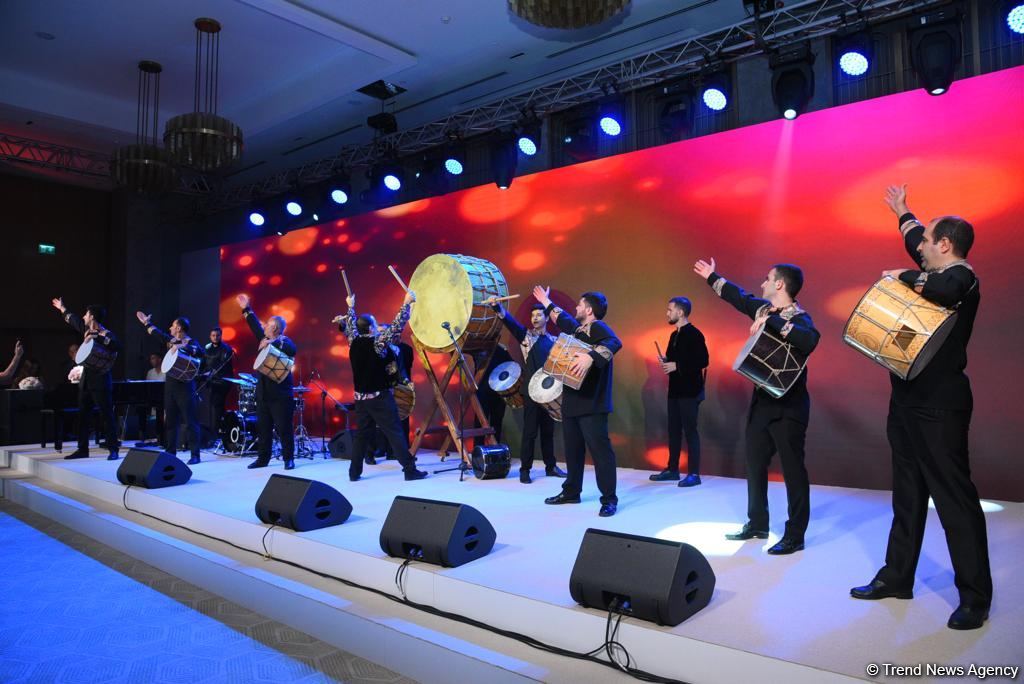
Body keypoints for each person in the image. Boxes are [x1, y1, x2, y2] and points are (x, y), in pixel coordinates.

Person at [850, 185, 991, 631]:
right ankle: (897, 577)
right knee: (907, 494)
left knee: (954, 501)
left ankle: (975, 598)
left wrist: (903, 275)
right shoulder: (936, 266)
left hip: (940, 406)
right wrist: (903, 212)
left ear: (945, 245)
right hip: (907, 401)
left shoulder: (962, 279)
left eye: (928, 241)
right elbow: (915, 242)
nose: (920, 248)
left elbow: (943, 287)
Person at [693, 258, 820, 554]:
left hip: (790, 407)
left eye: (767, 278)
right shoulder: (763, 309)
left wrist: (772, 322)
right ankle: (758, 524)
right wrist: (712, 276)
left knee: (793, 470)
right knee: (754, 463)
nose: (762, 283)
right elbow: (739, 297)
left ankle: (795, 535)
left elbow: (810, 341)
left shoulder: (801, 319)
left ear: (780, 284)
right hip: (763, 403)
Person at [532, 287, 622, 517]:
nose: (576, 307)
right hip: (573, 402)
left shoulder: (598, 327)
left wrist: (590, 357)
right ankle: (571, 491)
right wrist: (546, 302)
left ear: (589, 310)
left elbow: (614, 342)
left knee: (601, 453)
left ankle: (609, 499)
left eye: (580, 305)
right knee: (573, 451)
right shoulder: (579, 331)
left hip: (592, 404)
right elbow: (563, 319)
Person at [334, 289, 427, 482]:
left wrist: (350, 307)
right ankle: (409, 470)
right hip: (379, 399)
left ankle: (354, 473)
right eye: (375, 325)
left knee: (361, 436)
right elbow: (396, 327)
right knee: (395, 432)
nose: (378, 328)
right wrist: (406, 303)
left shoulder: (353, 342)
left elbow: (351, 326)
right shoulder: (376, 343)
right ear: (370, 329)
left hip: (361, 400)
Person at [485, 299, 566, 484]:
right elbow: (511, 323)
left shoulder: (555, 341)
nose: (535, 318)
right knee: (530, 433)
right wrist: (497, 307)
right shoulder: (527, 338)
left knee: (548, 432)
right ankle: (525, 470)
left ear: (547, 318)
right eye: (532, 315)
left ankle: (551, 466)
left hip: (549, 392)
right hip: (531, 392)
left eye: (539, 315)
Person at [51, 298, 120, 460]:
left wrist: (97, 336)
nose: (83, 317)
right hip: (87, 380)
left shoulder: (106, 334)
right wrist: (62, 308)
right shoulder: (86, 330)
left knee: (106, 415)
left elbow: (117, 346)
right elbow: (74, 320)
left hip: (101, 380)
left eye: (86, 314)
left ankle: (113, 449)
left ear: (92, 317)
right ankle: (83, 449)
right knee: (83, 416)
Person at [651, 297, 709, 487]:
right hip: (675, 391)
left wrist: (677, 365)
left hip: (690, 392)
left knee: (690, 431)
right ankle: (672, 469)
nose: (667, 313)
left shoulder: (694, 334)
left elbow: (703, 360)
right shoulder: (673, 335)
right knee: (673, 431)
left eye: (670, 310)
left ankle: (694, 474)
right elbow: (675, 361)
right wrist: (667, 362)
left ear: (680, 312)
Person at [237, 294, 296, 470]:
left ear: (275, 328)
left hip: (280, 395)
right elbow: (255, 326)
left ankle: (288, 458)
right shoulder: (264, 338)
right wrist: (246, 309)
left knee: (284, 428)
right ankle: (263, 459)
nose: (264, 326)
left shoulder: (284, 341)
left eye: (268, 324)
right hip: (263, 394)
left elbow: (292, 350)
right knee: (263, 429)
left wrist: (271, 343)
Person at [137, 312, 203, 465]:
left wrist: (182, 346)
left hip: (185, 386)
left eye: (173, 326)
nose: (170, 328)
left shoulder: (191, 342)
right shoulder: (170, 340)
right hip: (171, 386)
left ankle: (195, 454)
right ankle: (170, 452)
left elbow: (200, 352)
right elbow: (158, 334)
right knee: (171, 421)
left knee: (190, 421)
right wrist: (147, 323)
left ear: (179, 328)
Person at [202, 326, 234, 443]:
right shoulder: (207, 348)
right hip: (211, 381)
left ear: (221, 336)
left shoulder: (226, 349)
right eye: (213, 335)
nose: (215, 337)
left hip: (222, 382)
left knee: (217, 407)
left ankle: (217, 435)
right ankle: (216, 433)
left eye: (217, 335)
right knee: (215, 407)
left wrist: (212, 373)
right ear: (210, 336)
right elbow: (204, 363)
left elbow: (223, 366)